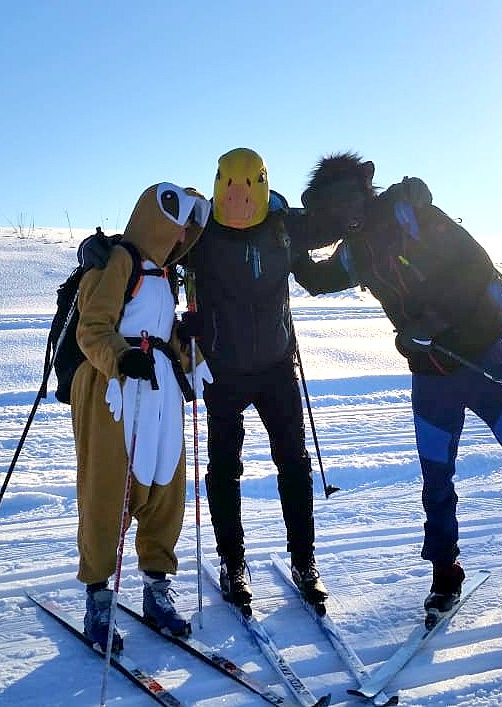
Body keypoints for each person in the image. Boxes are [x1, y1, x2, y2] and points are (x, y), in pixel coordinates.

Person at [292, 152, 502, 630]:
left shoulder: (413, 216)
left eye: (339, 203)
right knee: (436, 480)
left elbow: (478, 267)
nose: (334, 216)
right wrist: (281, 239)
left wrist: (431, 322)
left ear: (360, 193)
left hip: (482, 360)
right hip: (431, 375)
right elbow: (315, 280)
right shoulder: (356, 248)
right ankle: (445, 572)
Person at [177, 147, 330, 614]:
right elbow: (151, 243)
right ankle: (232, 563)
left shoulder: (282, 229)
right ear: (221, 184)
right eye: (231, 187)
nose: (240, 199)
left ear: (262, 184)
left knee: (293, 463)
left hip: (277, 367)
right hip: (223, 370)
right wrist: (97, 253)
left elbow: (317, 273)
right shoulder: (200, 232)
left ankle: (304, 561)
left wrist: (365, 255)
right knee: (225, 469)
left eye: (249, 187)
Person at [71, 182, 210, 648]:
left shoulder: (165, 274)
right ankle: (99, 601)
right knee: (110, 490)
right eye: (178, 225)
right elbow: (91, 330)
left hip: (160, 393)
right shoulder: (118, 263)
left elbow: (164, 336)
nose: (181, 236)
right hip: (117, 391)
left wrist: (190, 355)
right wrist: (120, 357)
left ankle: (156, 589)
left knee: (165, 486)